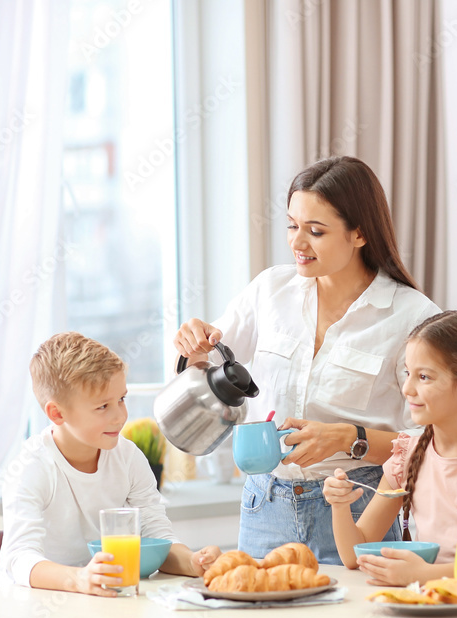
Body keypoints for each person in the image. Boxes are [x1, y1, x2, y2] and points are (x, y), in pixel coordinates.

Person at [174, 156, 441, 564]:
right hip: (265, 504)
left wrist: (348, 438)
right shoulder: (270, 290)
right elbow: (206, 371)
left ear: (360, 234)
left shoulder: (411, 316)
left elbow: (433, 442)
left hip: (355, 506)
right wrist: (193, 348)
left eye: (315, 231)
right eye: (292, 226)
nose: (298, 243)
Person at [323, 311, 457, 585]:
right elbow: (354, 554)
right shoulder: (408, 456)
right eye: (407, 373)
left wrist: (422, 575)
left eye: (424, 377)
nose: (407, 389)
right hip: (437, 606)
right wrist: (339, 506)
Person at [0, 332, 221, 596]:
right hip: (32, 607)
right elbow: (20, 559)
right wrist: (79, 579)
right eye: (102, 406)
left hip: (100, 598)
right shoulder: (31, 467)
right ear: (57, 413)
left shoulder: (127, 457)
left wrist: (195, 563)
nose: (120, 416)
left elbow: (157, 536)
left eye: (121, 399)